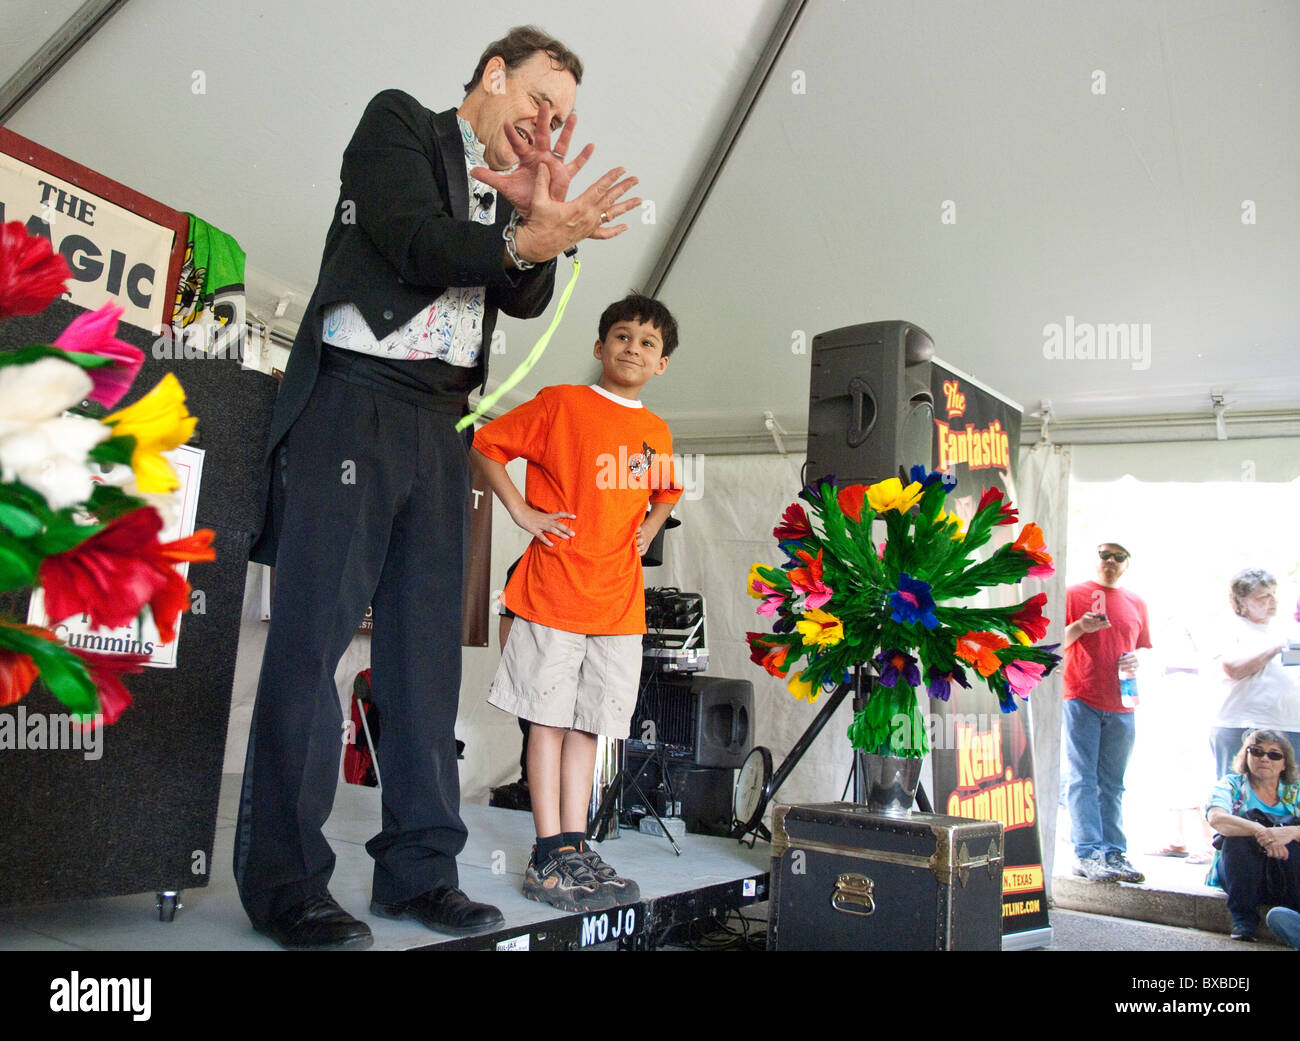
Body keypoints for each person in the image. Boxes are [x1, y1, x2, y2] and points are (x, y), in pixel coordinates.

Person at [236, 26, 640, 950]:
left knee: (424, 663)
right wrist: (521, 234)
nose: (549, 124)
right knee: (310, 651)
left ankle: (419, 873)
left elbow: (523, 298)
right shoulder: (399, 127)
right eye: (541, 101)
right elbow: (417, 242)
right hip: (352, 401)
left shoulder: (511, 188)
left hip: (440, 422)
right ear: (493, 76)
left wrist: (535, 235)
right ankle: (287, 884)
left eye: (566, 118)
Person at [471, 292, 682, 912]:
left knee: (592, 724)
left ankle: (576, 844)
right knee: (548, 720)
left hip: (618, 603)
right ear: (599, 347)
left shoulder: (656, 430)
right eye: (622, 336)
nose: (633, 349)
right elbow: (486, 444)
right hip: (553, 591)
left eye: (648, 343)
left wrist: (651, 525)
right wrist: (522, 511)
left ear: (661, 364)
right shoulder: (562, 403)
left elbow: (668, 490)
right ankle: (546, 852)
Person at [1062, 542, 1152, 883]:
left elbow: (1142, 649)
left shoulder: (1136, 602)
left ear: (1127, 564)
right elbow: (1051, 642)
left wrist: (1135, 660)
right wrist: (1081, 627)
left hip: (1123, 702)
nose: (1111, 561)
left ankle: (1114, 852)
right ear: (1095, 559)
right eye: (1104, 554)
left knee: (1113, 783)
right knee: (1082, 779)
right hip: (1081, 695)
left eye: (1118, 556)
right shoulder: (1073, 594)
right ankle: (1088, 853)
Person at [1205, 729, 1300, 941]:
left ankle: (1294, 919)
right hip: (1243, 874)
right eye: (1257, 751)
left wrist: (1290, 832)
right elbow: (1217, 819)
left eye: (1274, 754)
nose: (1264, 758)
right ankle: (1244, 921)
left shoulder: (1296, 791)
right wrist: (1261, 831)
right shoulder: (1231, 785)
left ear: (1284, 763)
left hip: (1286, 870)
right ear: (1246, 756)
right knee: (1238, 839)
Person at [1209, 569, 1300, 779]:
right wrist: (1275, 648)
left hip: (1290, 725)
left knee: (1287, 801)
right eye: (1263, 597)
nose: (1272, 601)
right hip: (1241, 725)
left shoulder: (1288, 628)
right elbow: (1232, 668)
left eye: (1274, 594)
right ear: (1241, 601)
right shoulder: (1228, 627)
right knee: (1238, 797)